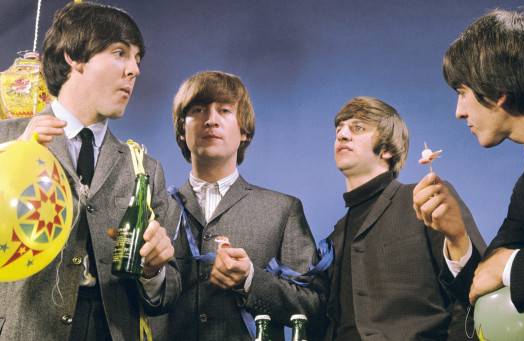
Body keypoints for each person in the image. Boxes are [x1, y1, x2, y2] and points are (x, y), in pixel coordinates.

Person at [0, 2, 180, 340]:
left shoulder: (146, 169)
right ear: (73, 55)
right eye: (119, 53)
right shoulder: (6, 139)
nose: (134, 70)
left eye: (138, 59)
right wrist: (14, 158)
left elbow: (166, 297)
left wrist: (154, 272)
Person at [149, 71, 327, 340]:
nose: (210, 120)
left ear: (244, 130)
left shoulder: (283, 210)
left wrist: (251, 281)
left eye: (224, 110)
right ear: (181, 131)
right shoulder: (154, 208)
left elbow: (314, 306)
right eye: (198, 110)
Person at [439, 8, 524, 311]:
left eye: (462, 92)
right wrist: (457, 235)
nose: (459, 111)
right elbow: (483, 288)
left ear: (497, 90)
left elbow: (504, 268)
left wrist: (512, 265)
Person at [324, 96, 486, 340]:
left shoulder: (427, 199)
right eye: (339, 130)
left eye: (358, 128)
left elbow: (474, 290)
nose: (342, 135)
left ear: (388, 149)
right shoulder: (334, 237)